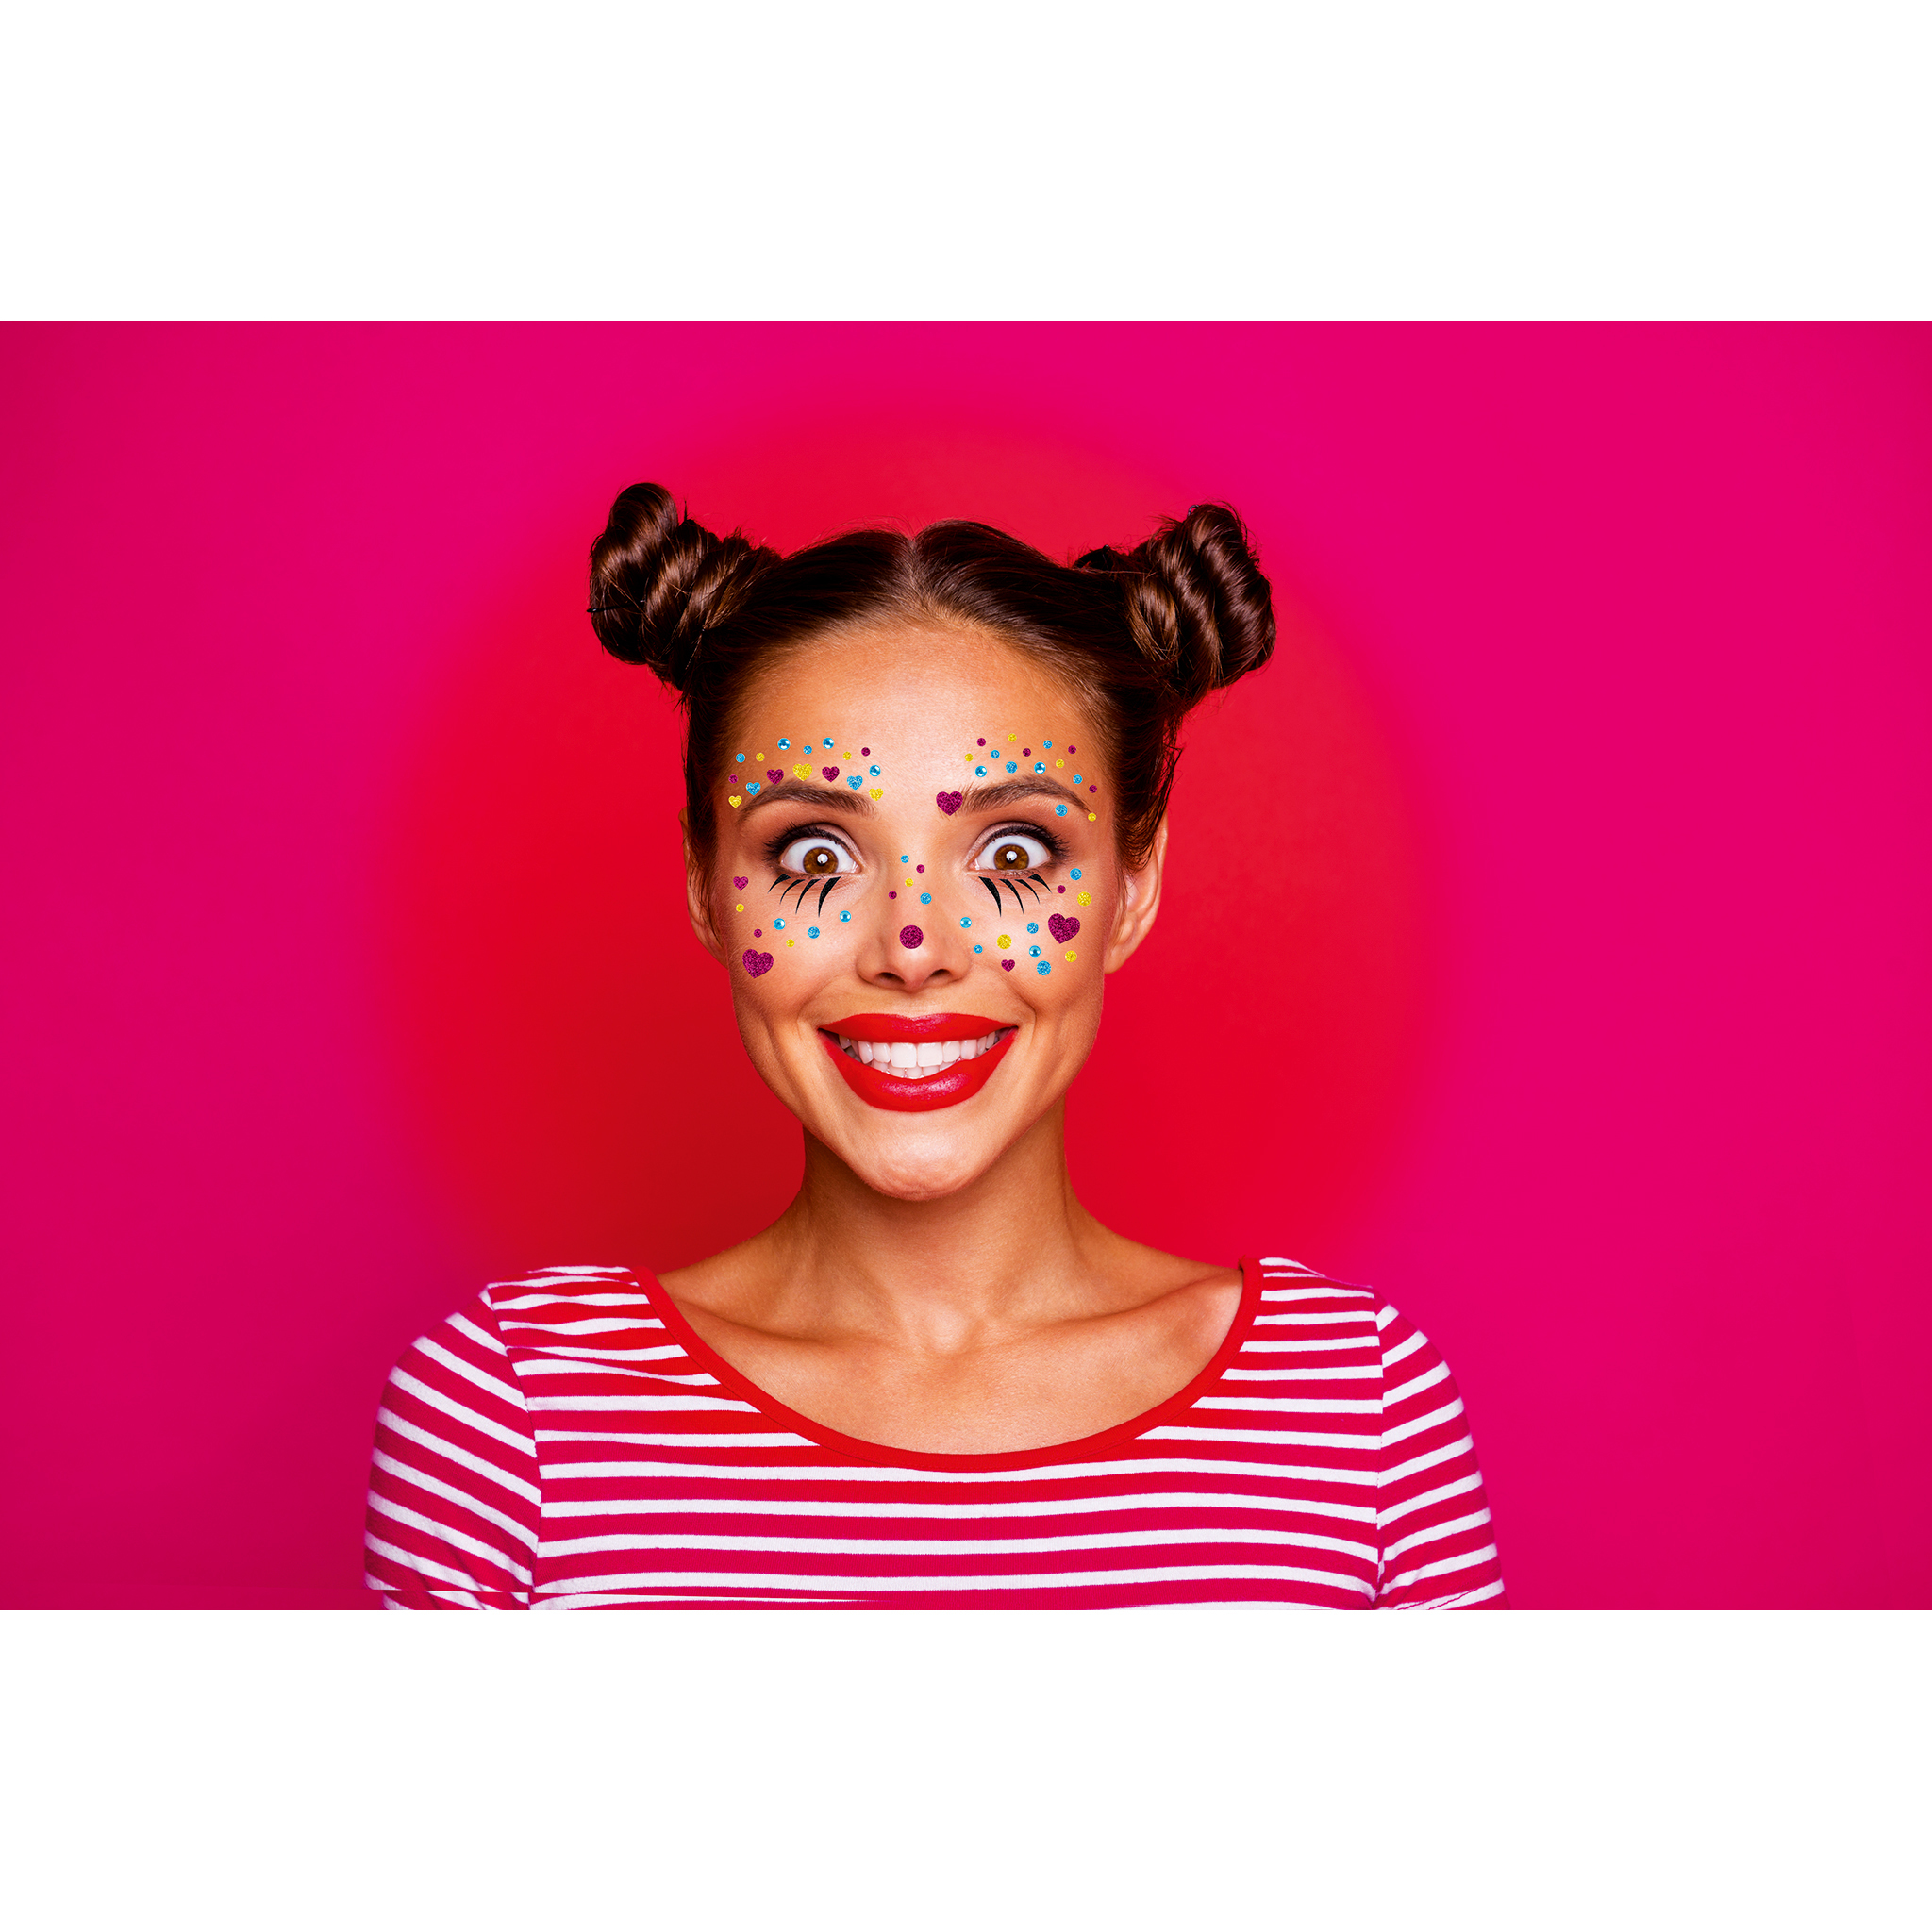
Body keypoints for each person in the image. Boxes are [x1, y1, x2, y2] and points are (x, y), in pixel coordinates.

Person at [363, 482, 1506, 1608]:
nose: (913, 949)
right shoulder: (517, 1420)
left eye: (1013, 853)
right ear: (706, 885)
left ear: (1132, 885)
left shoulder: (1353, 1408)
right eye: (815, 857)